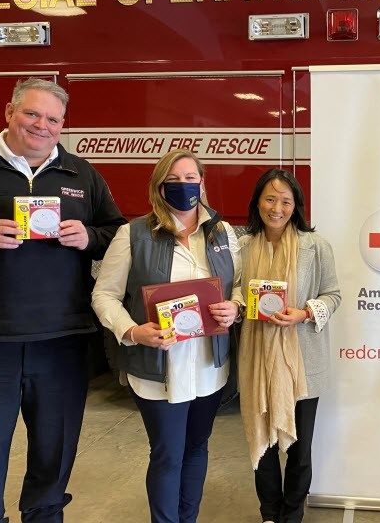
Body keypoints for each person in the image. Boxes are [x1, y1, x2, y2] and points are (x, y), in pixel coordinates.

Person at [0, 77, 126, 522]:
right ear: (10, 112)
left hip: (62, 339)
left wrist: (89, 236)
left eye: (53, 119)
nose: (42, 125)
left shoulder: (81, 174)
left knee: (54, 455)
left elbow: (119, 235)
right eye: (32, 114)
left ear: (63, 126)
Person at [91, 148, 242, 523]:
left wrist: (234, 307)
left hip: (209, 366)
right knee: (167, 454)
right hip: (157, 369)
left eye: (191, 178)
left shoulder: (221, 232)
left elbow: (238, 285)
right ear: (159, 186)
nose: (184, 186)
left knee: (196, 448)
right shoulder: (134, 234)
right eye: (173, 180)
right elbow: (104, 294)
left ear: (202, 183)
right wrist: (131, 330)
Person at [239, 168, 340, 523]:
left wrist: (306, 312)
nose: (277, 208)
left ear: (296, 205)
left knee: (300, 449)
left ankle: (292, 513)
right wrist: (239, 303)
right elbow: (235, 290)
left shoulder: (316, 246)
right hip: (256, 359)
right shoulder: (244, 246)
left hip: (303, 362)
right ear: (257, 202)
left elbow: (334, 295)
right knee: (262, 443)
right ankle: (269, 513)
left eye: (285, 200)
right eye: (270, 198)